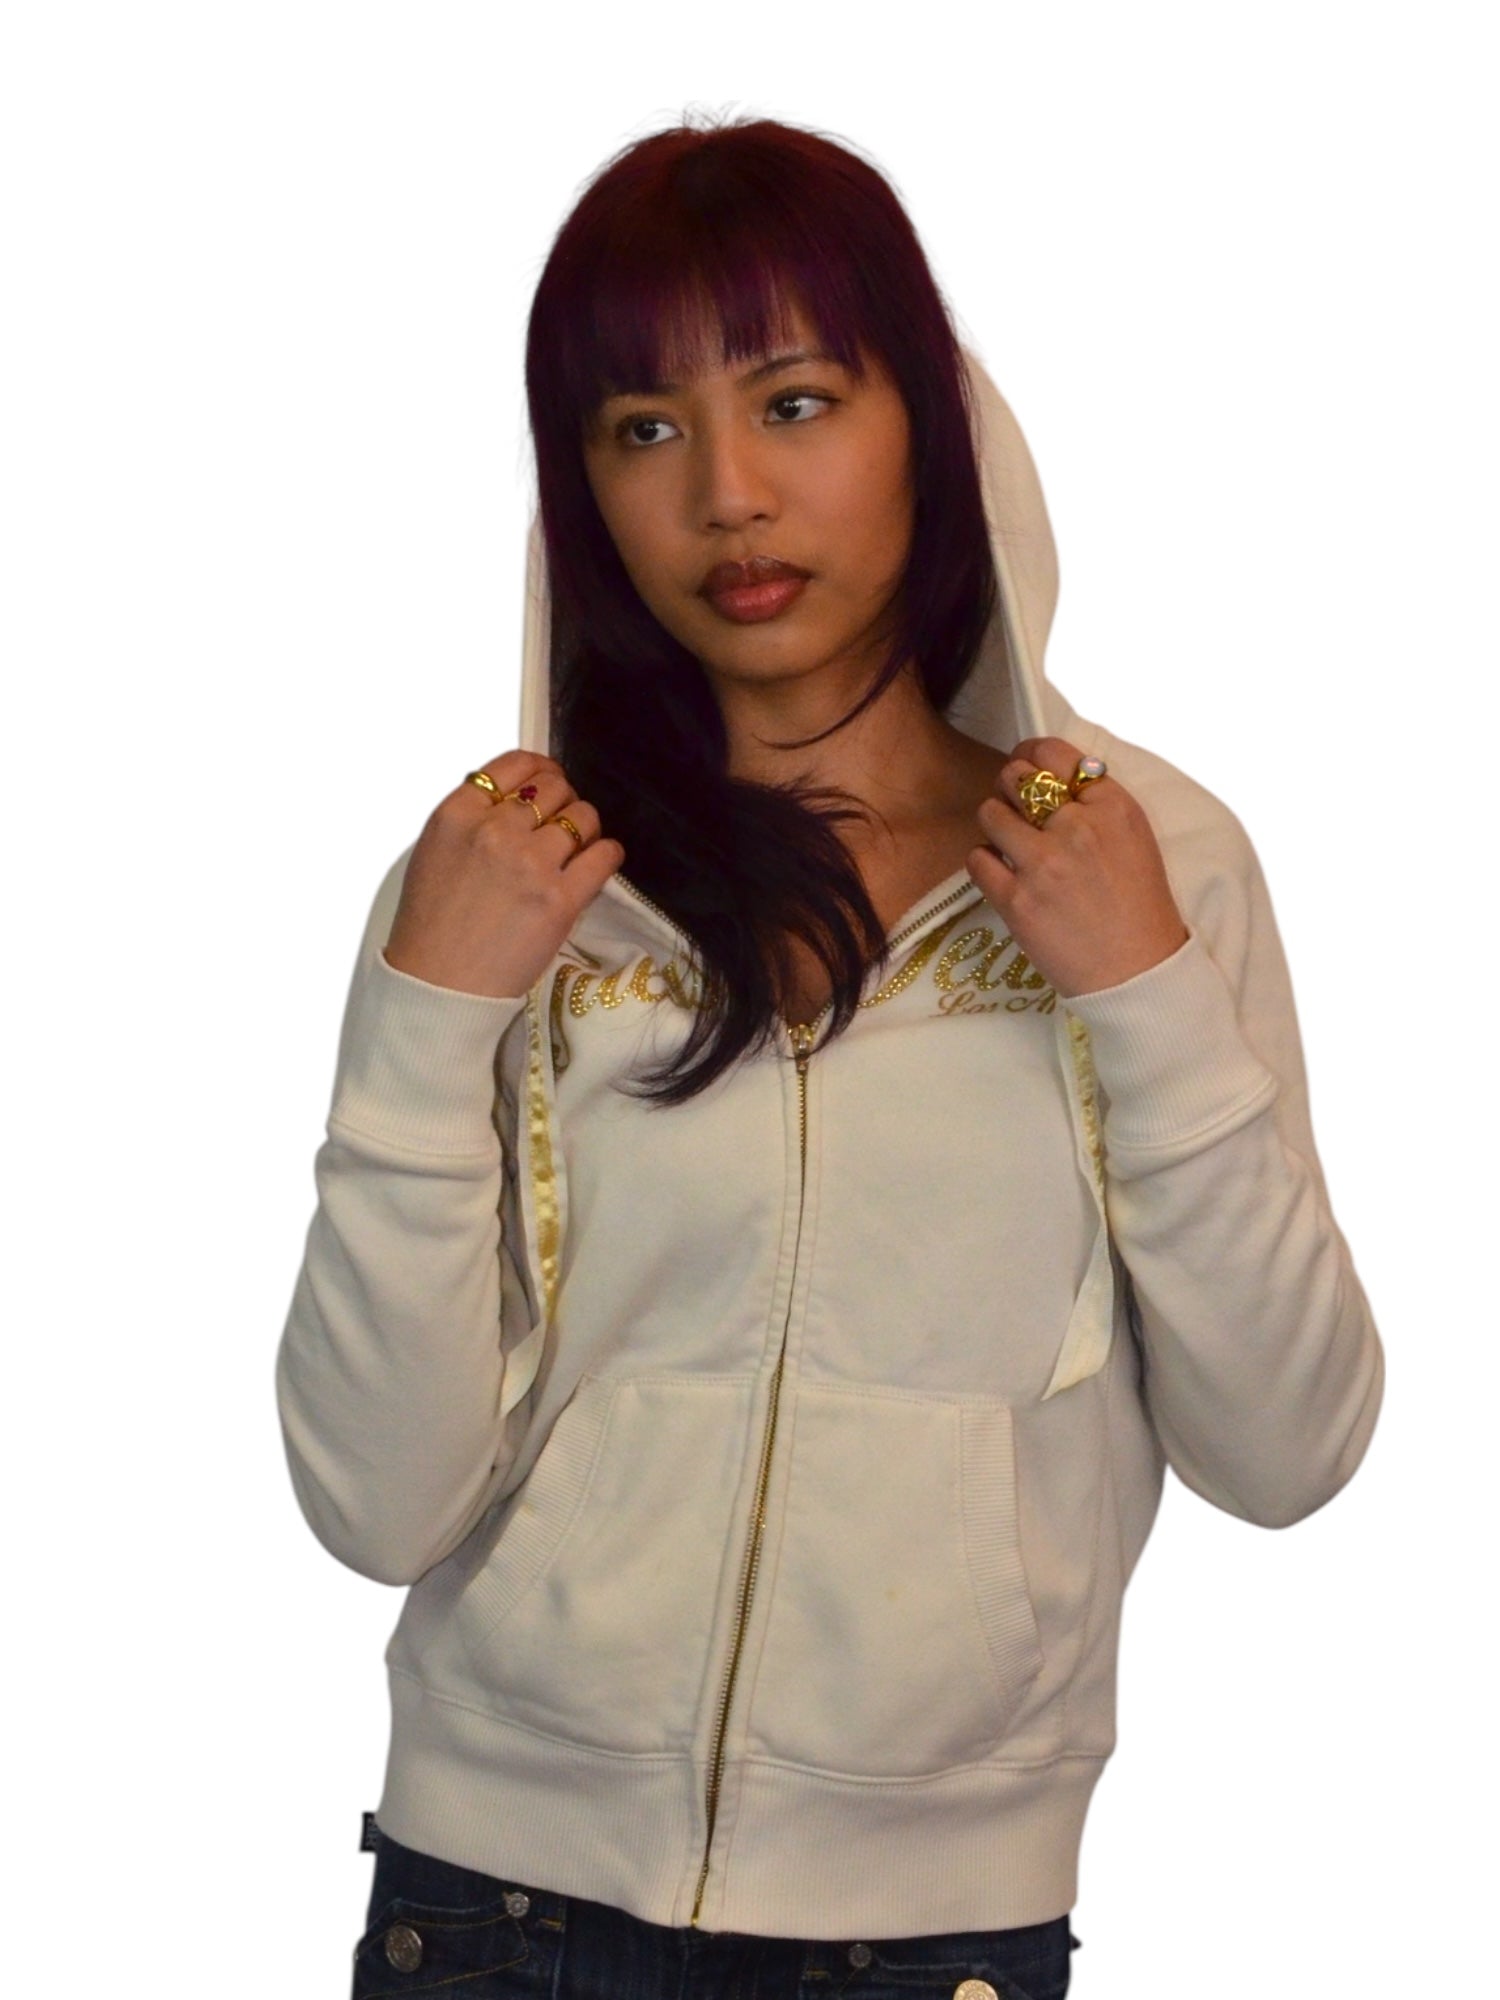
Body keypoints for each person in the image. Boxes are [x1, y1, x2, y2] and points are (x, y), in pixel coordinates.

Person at [276, 115, 1384, 2000]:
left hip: (932, 1935)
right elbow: (372, 1506)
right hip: (490, 1913)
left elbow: (1291, 1449)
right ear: (578, 488)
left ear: (927, 425)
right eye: (642, 428)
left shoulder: (1153, 869)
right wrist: (427, 1019)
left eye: (795, 402)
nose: (727, 496)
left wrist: (1144, 990)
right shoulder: (509, 885)